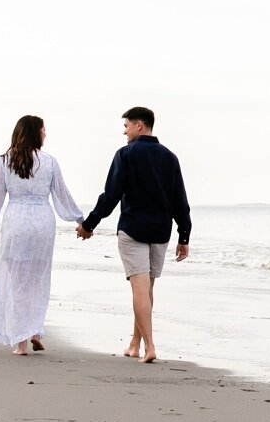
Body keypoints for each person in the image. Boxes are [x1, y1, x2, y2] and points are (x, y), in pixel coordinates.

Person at [76, 106, 191, 363]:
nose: (125, 132)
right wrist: (184, 236)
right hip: (161, 231)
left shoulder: (126, 154)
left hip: (133, 230)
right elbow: (179, 200)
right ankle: (134, 344)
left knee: (139, 290)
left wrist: (89, 224)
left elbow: (111, 195)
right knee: (147, 290)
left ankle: (150, 346)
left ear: (140, 125)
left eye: (126, 126)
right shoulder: (170, 158)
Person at [0, 115, 86, 356]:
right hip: (42, 224)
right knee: (37, 278)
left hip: (16, 222)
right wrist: (80, 219)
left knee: (16, 280)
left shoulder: (6, 161)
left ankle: (22, 342)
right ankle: (34, 330)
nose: (46, 134)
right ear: (34, 133)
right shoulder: (49, 162)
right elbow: (62, 195)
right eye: (43, 130)